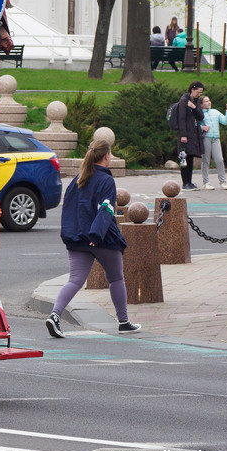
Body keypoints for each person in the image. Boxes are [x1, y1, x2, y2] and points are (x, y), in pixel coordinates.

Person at [45, 139, 141, 338]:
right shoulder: (106, 181)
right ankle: (123, 322)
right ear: (107, 156)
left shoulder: (79, 178)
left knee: (75, 280)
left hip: (77, 238)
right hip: (101, 238)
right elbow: (105, 209)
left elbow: (69, 210)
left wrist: (71, 235)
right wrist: (96, 235)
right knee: (116, 278)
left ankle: (54, 315)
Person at [176, 80, 206, 190]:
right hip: (185, 134)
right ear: (192, 90)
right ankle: (185, 182)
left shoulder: (195, 101)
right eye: (198, 92)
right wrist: (183, 135)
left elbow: (201, 116)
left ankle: (190, 181)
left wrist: (194, 107)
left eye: (201, 93)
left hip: (194, 134)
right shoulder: (184, 100)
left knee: (191, 157)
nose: (199, 95)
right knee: (184, 158)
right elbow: (181, 119)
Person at [200, 96, 227, 190]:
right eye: (206, 101)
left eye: (209, 100)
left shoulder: (215, 112)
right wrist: (202, 128)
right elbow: (195, 125)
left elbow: (226, 121)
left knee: (219, 160)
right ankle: (206, 183)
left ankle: (223, 182)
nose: (209, 102)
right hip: (205, 138)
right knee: (206, 161)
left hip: (216, 139)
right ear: (201, 104)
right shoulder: (199, 114)